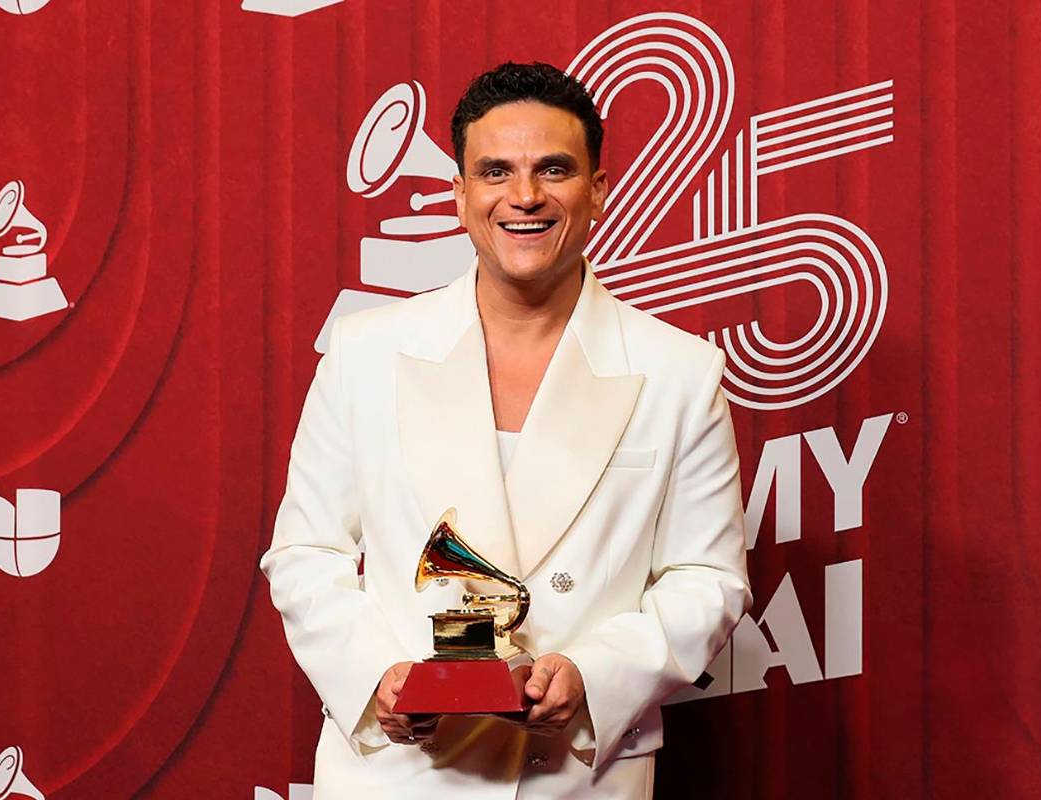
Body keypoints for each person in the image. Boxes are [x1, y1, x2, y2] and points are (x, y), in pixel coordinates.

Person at [260, 61, 751, 799]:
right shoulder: (362, 353)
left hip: (578, 776)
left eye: (553, 169)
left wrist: (593, 674)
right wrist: (376, 678)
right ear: (459, 197)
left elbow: (707, 579)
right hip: (395, 778)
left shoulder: (681, 372)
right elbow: (305, 554)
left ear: (598, 191)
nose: (524, 197)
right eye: (496, 171)